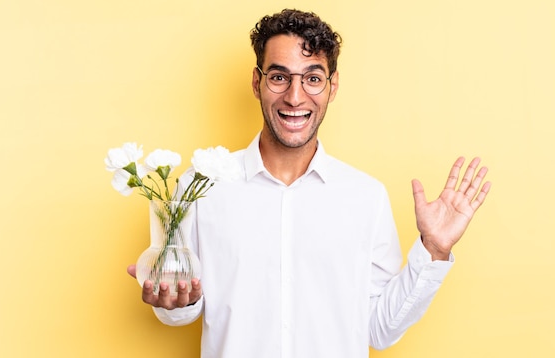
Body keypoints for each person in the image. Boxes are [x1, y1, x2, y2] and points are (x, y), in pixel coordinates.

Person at [127, 8, 491, 358]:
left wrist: (434, 250)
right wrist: (175, 302)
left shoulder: (366, 197)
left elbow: (379, 329)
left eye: (313, 78)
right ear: (257, 82)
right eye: (279, 76)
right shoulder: (201, 187)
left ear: (332, 87)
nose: (295, 97)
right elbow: (180, 308)